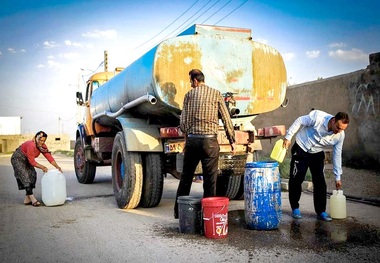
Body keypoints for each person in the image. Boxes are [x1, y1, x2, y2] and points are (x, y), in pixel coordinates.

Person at [174, 69, 236, 219]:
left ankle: (178, 212)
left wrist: (187, 136)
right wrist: (231, 140)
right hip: (210, 142)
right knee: (210, 180)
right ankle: (207, 215)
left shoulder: (189, 95)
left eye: (190, 81)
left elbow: (184, 123)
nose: (190, 85)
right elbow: (226, 119)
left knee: (186, 178)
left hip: (193, 141)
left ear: (195, 81)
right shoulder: (216, 94)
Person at [283, 110, 349, 221]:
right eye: (338, 127)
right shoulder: (318, 117)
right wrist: (288, 137)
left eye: (342, 129)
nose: (339, 131)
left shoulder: (340, 135)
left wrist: (338, 177)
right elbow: (300, 120)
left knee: (320, 182)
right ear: (333, 121)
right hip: (301, 147)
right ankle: (295, 207)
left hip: (317, 152)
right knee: (297, 178)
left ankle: (321, 211)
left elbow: (337, 154)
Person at [11, 131, 63, 206]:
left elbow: (49, 157)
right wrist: (42, 167)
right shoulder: (31, 145)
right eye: (40, 140)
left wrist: (57, 167)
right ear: (36, 138)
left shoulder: (42, 147)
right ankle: (32, 199)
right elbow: (32, 162)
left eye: (43, 141)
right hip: (18, 158)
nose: (42, 142)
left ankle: (27, 199)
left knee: (32, 175)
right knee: (25, 176)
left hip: (27, 159)